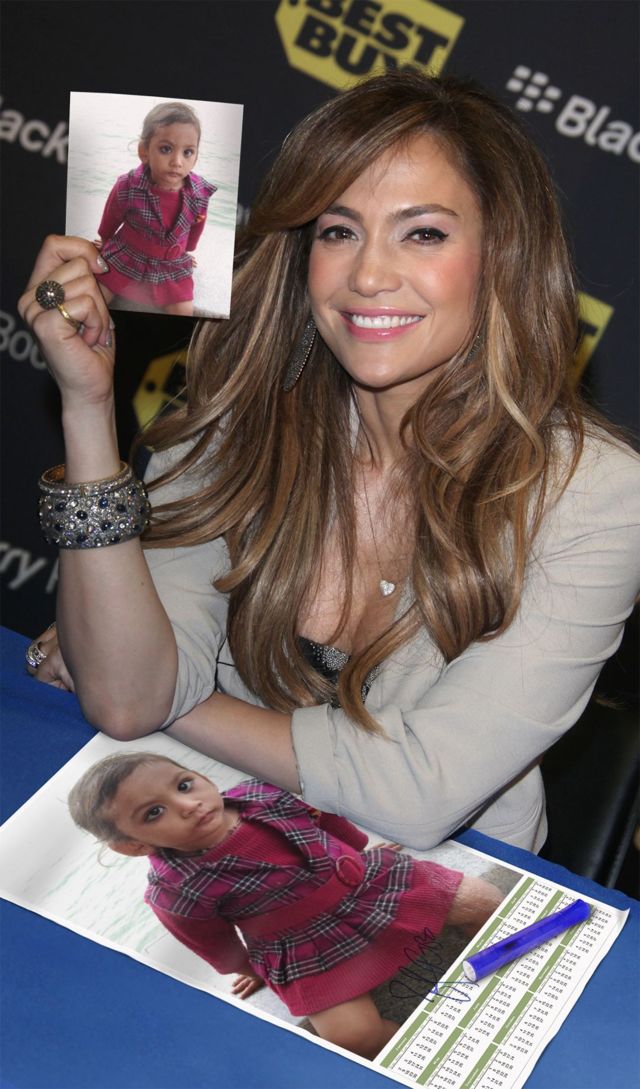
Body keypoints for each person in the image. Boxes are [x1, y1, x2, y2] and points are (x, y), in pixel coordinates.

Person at [19, 72, 640, 855]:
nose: (368, 276)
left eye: (423, 234)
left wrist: (166, 696)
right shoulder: (242, 415)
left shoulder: (596, 495)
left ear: (501, 258)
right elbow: (125, 698)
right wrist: (86, 407)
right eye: (339, 231)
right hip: (216, 832)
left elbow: (420, 792)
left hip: (437, 886)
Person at [68, 751, 502, 1059]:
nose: (187, 805)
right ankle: (437, 1053)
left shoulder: (263, 794)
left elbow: (322, 819)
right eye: (153, 813)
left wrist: (356, 849)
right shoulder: (175, 890)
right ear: (132, 846)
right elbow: (210, 942)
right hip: (306, 946)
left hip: (370, 886)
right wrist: (249, 970)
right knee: (354, 1038)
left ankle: (500, 972)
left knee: (484, 902)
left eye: (184, 785)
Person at [94, 101, 216, 316]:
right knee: (97, 297)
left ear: (196, 156)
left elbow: (197, 223)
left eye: (188, 152)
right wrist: (105, 239)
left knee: (183, 310)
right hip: (128, 254)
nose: (177, 161)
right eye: (166, 149)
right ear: (144, 151)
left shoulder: (199, 193)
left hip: (171, 264)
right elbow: (112, 214)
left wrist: (187, 250)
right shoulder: (129, 185)